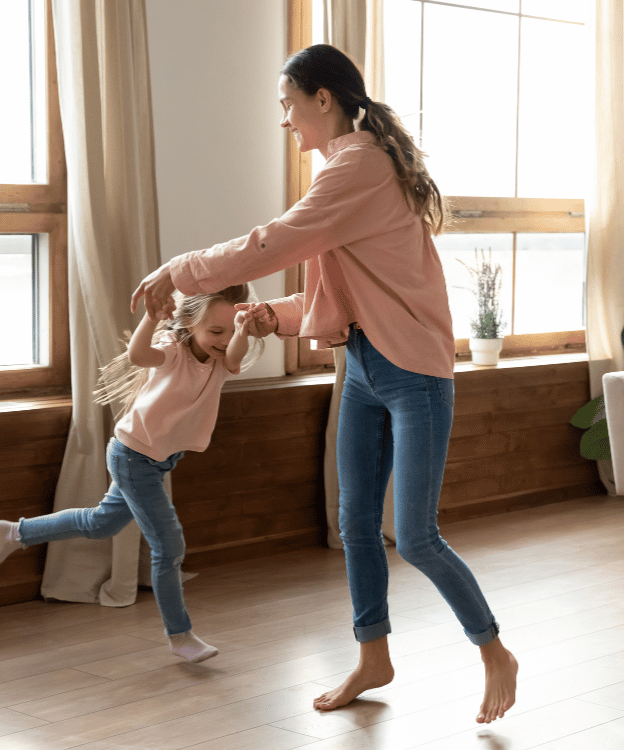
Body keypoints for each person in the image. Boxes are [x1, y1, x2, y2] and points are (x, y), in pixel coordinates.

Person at [130, 44, 518, 724]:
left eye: (287, 105)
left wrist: (180, 270)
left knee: (416, 534)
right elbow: (335, 292)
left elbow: (271, 242)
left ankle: (493, 651)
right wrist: (271, 316)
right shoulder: (350, 168)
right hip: (364, 365)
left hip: (414, 373)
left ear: (323, 100)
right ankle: (373, 655)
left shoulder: (360, 165)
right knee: (356, 526)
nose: (285, 120)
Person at [0, 284, 258, 663]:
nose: (224, 340)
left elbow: (235, 354)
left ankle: (14, 532)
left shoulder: (222, 359)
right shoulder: (173, 349)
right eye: (215, 331)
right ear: (189, 322)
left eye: (230, 330)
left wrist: (243, 330)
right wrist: (152, 317)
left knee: (100, 523)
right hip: (133, 456)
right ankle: (180, 635)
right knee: (169, 547)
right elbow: (139, 355)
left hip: (155, 459)